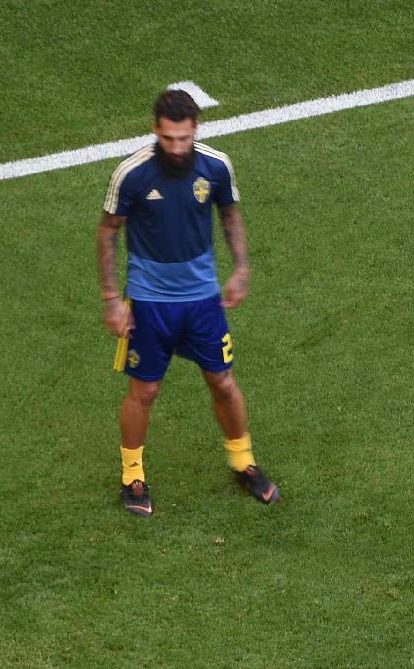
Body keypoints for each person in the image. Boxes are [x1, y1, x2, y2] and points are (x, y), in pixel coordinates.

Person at [97, 88, 277, 517]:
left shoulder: (215, 166)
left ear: (196, 129)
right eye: (167, 138)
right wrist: (112, 298)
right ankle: (132, 475)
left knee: (223, 381)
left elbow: (229, 215)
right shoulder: (132, 174)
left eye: (183, 138)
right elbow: (108, 231)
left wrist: (242, 268)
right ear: (155, 130)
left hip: (202, 300)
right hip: (150, 301)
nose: (176, 147)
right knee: (145, 389)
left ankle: (243, 462)